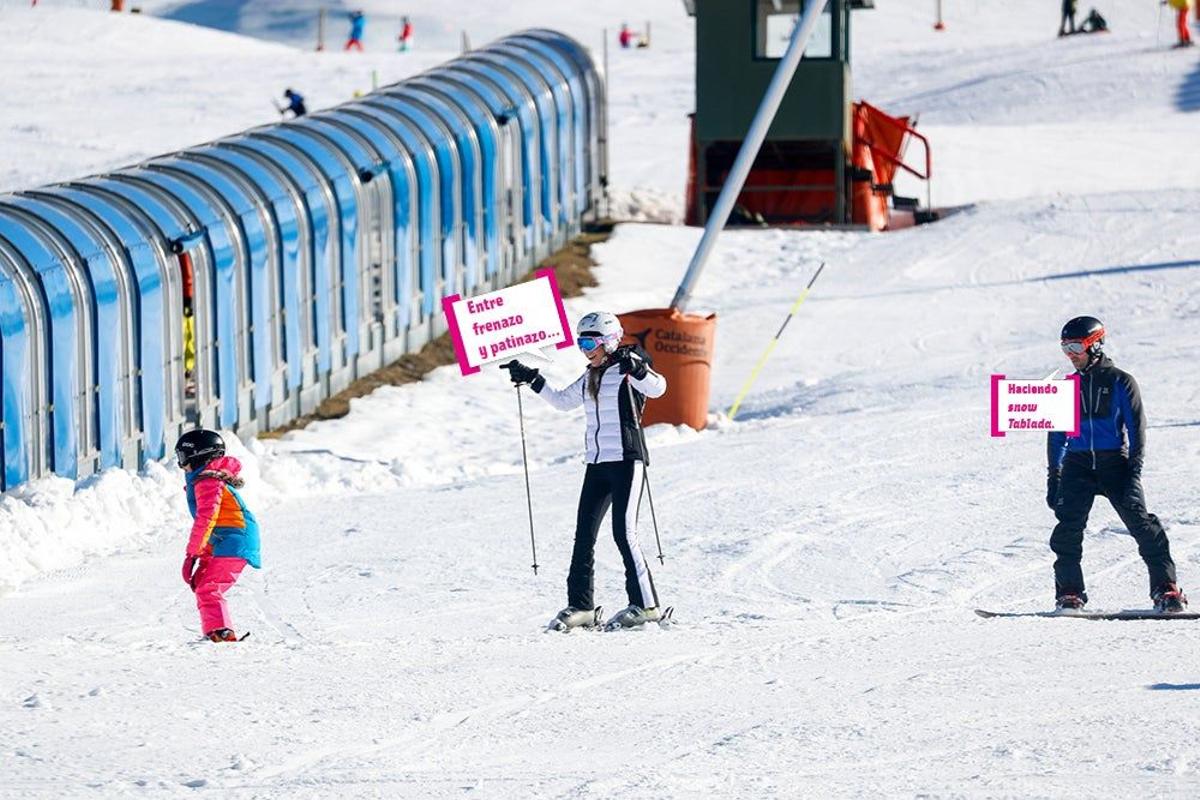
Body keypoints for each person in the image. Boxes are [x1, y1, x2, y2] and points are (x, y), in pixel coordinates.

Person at [505, 311, 668, 630]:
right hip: (596, 464)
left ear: (608, 341)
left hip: (626, 461)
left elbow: (658, 388)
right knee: (584, 535)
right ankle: (582, 606)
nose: (583, 348)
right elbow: (564, 401)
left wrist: (637, 367)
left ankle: (647, 605)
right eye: (580, 341)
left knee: (624, 533)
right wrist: (531, 378)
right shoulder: (591, 375)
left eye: (589, 341)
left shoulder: (627, 367)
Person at [1046, 317, 1185, 612]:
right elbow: (1056, 435)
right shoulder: (1065, 386)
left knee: (1143, 526)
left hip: (1114, 463)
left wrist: (1134, 467)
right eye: (1064, 348)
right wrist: (1054, 475)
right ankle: (1069, 593)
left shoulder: (1121, 381)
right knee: (1067, 530)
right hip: (1077, 464)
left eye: (1075, 346)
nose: (1070, 354)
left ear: (1095, 344)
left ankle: (1166, 589)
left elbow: (1137, 427)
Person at [176, 429, 262, 642]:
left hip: (235, 540)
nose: (181, 465)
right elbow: (216, 526)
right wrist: (204, 558)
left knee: (209, 588)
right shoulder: (205, 480)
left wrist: (192, 555)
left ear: (197, 456)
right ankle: (217, 631)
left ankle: (221, 632)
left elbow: (206, 520)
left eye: (182, 458)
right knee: (205, 585)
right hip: (228, 539)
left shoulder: (207, 482)